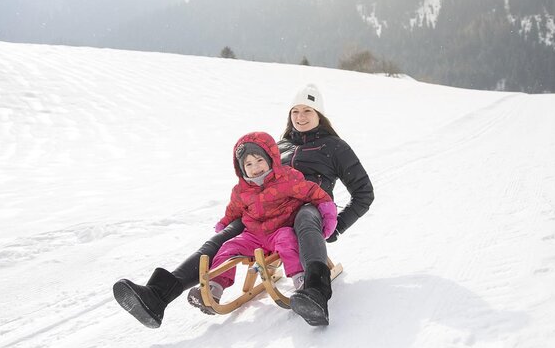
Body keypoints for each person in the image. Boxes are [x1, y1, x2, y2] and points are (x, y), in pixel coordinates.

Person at [113, 83, 374, 327]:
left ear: (320, 114)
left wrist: (336, 226)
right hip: (267, 211)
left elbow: (364, 193)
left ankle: (315, 291)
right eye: (295, 111)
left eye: (308, 110)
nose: (300, 116)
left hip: (309, 207)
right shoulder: (279, 145)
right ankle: (159, 294)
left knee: (305, 218)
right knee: (225, 236)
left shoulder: (335, 147)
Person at [185, 131, 337, 313]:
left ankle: (302, 281)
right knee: (228, 247)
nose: (255, 167)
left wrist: (327, 211)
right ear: (241, 168)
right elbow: (233, 211)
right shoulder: (240, 190)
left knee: (288, 242)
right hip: (253, 235)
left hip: (281, 230)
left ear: (270, 159)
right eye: (248, 164)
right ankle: (213, 288)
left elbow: (313, 192)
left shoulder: (287, 178)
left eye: (259, 160)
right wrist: (224, 223)